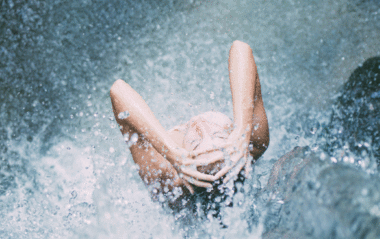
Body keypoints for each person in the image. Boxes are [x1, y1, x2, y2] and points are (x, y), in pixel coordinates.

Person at [109, 40, 269, 207]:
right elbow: (240, 48)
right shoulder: (253, 144)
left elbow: (118, 90)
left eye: (197, 142)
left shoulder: (165, 178)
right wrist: (242, 130)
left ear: (187, 165)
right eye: (219, 135)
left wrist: (172, 154)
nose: (201, 127)